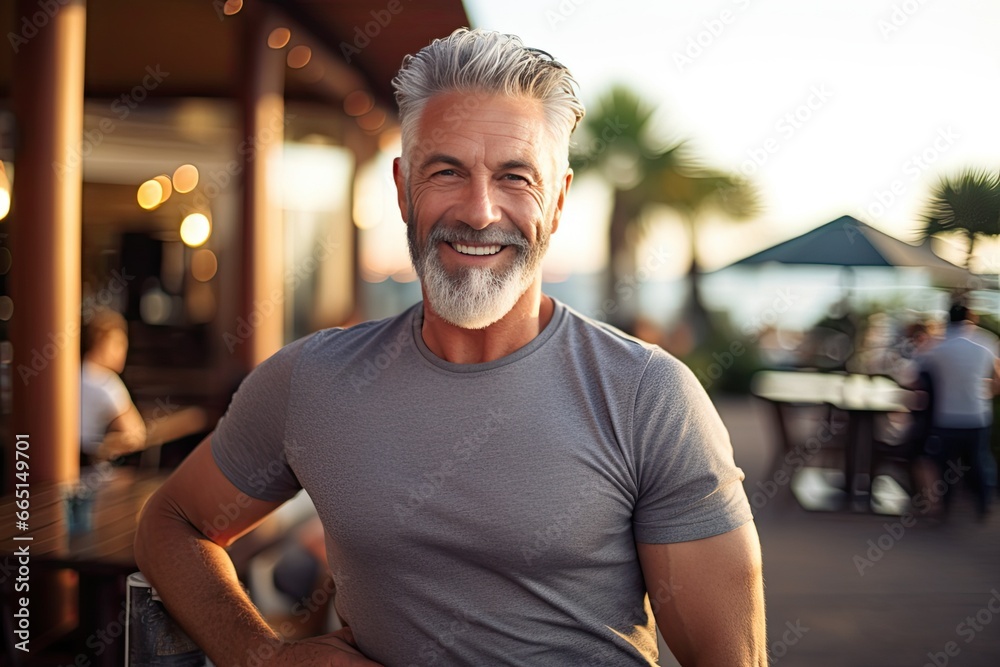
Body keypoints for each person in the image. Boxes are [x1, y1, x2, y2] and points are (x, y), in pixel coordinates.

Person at [135, 29, 765, 666]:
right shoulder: (314, 380)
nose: (480, 210)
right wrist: (258, 655)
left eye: (516, 177)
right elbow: (172, 524)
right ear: (404, 187)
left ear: (559, 200)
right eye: (447, 171)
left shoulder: (647, 396)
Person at [919, 304, 1000, 519]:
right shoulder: (987, 341)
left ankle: (945, 508)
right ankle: (983, 502)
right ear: (972, 316)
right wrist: (985, 394)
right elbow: (998, 379)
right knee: (979, 460)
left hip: (946, 416)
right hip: (978, 413)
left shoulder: (938, 345)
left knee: (944, 464)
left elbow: (916, 376)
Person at [80, 309, 146, 462]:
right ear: (100, 342)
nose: (123, 352)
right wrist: (103, 448)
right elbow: (136, 435)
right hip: (89, 466)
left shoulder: (72, 374)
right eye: (117, 344)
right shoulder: (106, 383)